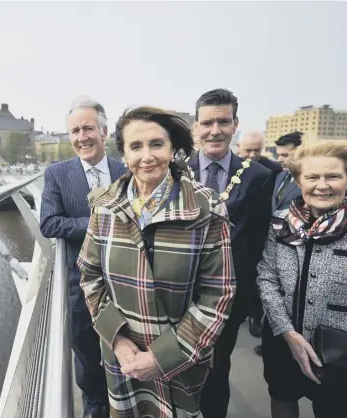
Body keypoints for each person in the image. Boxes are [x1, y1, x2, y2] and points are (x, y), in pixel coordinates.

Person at [77, 106, 236, 418]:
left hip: (181, 359)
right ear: (123, 154)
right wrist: (118, 341)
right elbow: (89, 275)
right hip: (123, 358)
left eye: (156, 144)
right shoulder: (105, 206)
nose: (146, 156)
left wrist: (162, 357)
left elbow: (218, 294)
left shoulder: (207, 208)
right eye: (136, 146)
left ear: (173, 149)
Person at [187, 88, 275, 418]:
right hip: (177, 292)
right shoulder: (173, 172)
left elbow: (261, 242)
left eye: (223, 121)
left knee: (216, 367)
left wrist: (253, 301)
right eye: (207, 122)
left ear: (235, 123)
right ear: (195, 127)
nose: (215, 130)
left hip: (228, 296)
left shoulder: (259, 177)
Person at [40, 97, 127, 418]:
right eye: (74, 131)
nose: (81, 137)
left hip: (129, 288)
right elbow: (49, 223)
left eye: (88, 128)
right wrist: (97, 223)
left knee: (128, 360)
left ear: (104, 132)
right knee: (89, 366)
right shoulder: (57, 174)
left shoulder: (126, 170)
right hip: (82, 289)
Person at [257, 140, 347, 418]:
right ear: (298, 180)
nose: (322, 185)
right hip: (282, 338)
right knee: (282, 397)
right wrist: (287, 331)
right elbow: (266, 276)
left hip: (339, 347)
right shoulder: (281, 221)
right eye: (312, 177)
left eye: (333, 176)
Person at [238, 130, 282, 353]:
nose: (252, 155)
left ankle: (256, 316)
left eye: (257, 150)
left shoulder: (274, 170)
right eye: (248, 150)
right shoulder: (232, 167)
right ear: (239, 148)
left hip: (262, 231)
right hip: (236, 231)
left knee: (257, 277)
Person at [272, 131, 303, 212]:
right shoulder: (280, 176)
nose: (279, 160)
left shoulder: (307, 180)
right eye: (278, 155)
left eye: (285, 155)